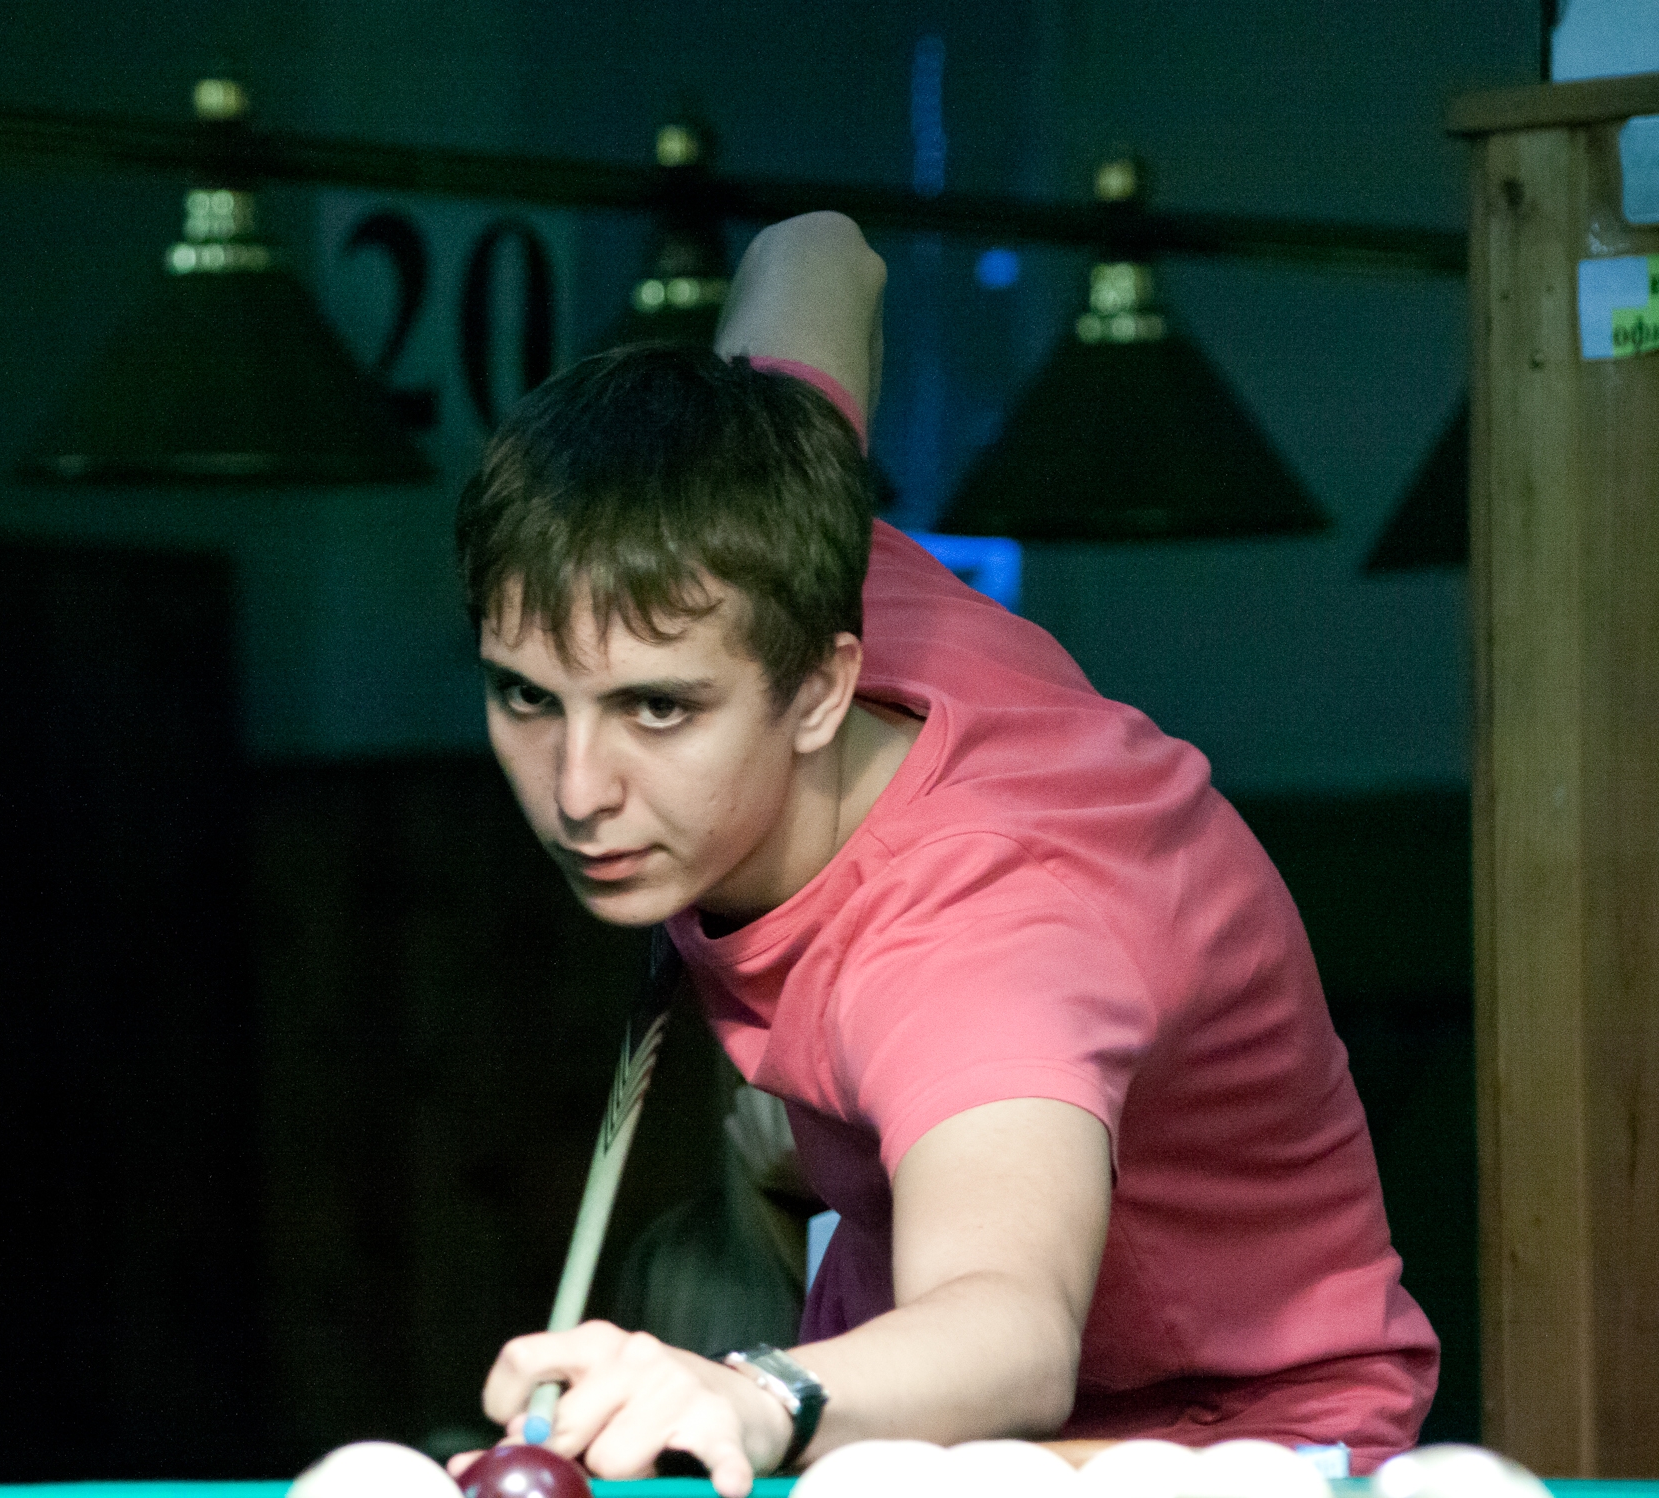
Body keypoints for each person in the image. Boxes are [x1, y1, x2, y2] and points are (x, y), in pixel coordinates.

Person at [450, 212, 1438, 1498]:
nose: (579, 792)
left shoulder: (980, 939)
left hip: (1219, 1448)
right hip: (914, 1400)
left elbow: (1010, 1333)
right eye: (529, 696)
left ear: (820, 687)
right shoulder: (764, 535)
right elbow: (818, 250)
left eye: (659, 709)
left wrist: (750, 1392)